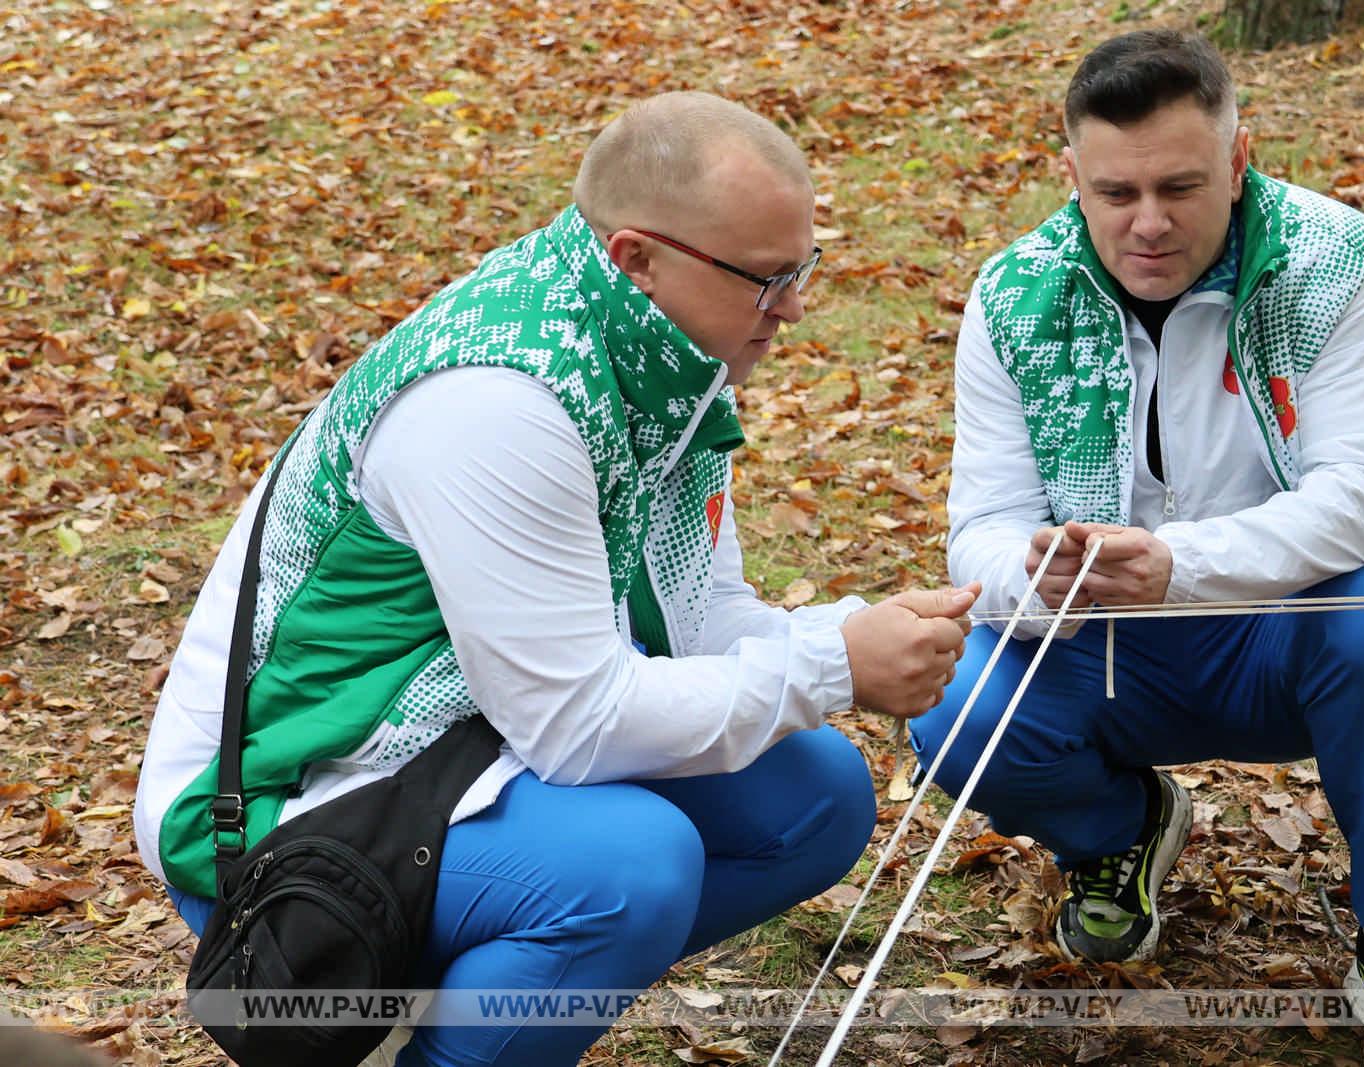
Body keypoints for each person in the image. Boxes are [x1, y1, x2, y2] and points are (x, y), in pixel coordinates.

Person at [133, 91, 978, 1067]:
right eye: (766, 278)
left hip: (468, 736)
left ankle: (470, 1001)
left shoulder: (657, 349)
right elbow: (576, 725)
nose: (793, 306)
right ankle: (393, 993)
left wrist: (851, 632)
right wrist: (833, 668)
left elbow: (694, 613)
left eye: (803, 267)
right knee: (630, 868)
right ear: (636, 257)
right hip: (287, 799)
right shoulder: (500, 402)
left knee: (813, 794)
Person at [911, 31, 1364, 1067]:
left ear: (1238, 160)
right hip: (1099, 640)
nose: (1147, 223)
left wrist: (1178, 562)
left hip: (1285, 629)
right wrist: (1030, 574)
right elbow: (982, 526)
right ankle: (1119, 828)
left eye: (1181, 185)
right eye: (1116, 191)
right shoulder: (1012, 295)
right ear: (1071, 178)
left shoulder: (1331, 263)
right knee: (951, 704)